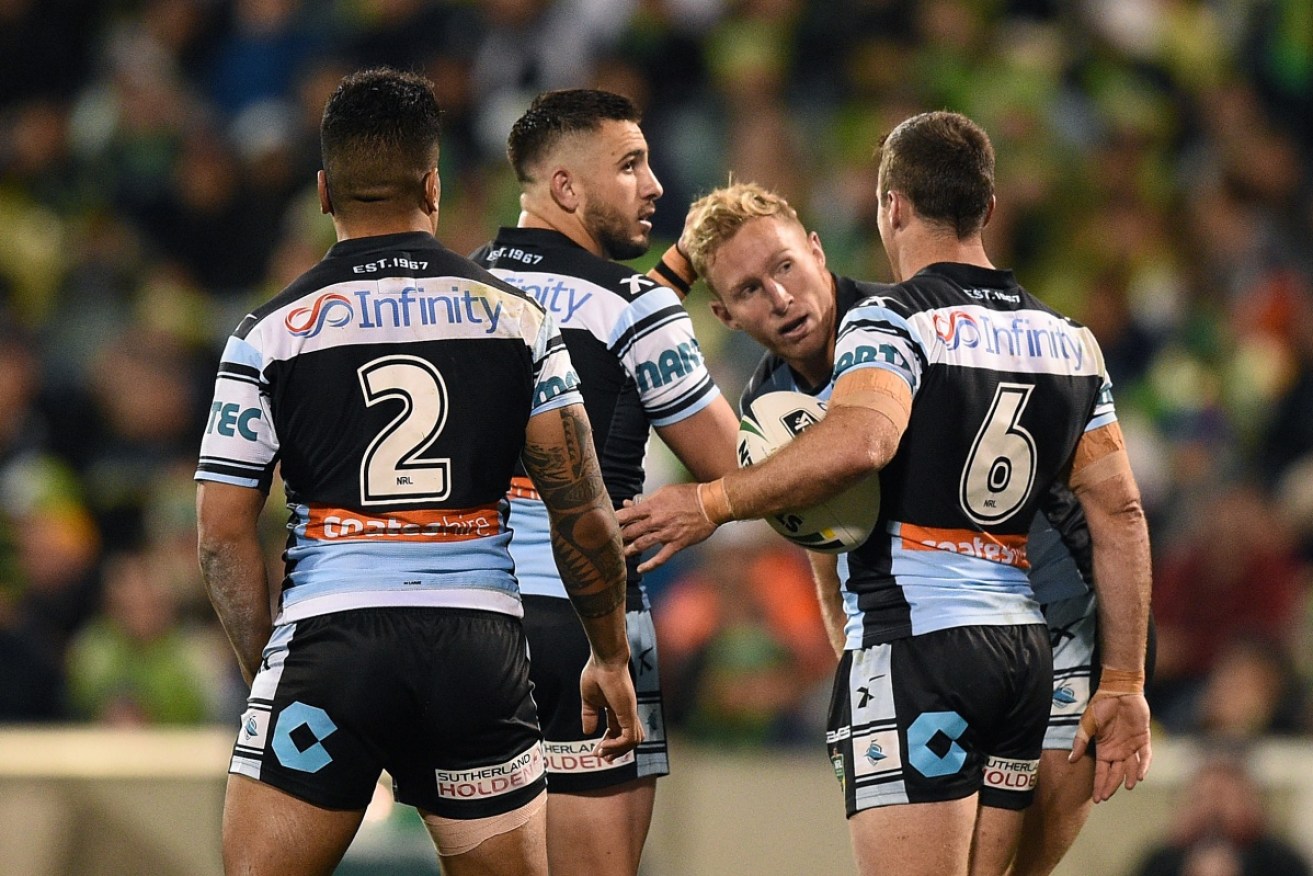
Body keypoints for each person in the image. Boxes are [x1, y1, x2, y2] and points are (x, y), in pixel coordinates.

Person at [618, 111, 1153, 876]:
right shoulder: (775, 393)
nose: (779, 297)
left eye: (784, 268)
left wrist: (709, 502)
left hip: (1058, 621)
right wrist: (849, 660)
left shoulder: (894, 321)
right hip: (1004, 639)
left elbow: (858, 448)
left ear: (820, 247)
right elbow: (822, 528)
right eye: (747, 288)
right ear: (725, 314)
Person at [194, 68, 641, 876]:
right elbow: (583, 513)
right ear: (433, 186)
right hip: (477, 651)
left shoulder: (268, 334)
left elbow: (221, 533)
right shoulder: (519, 320)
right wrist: (608, 653)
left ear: (324, 190)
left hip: (331, 638)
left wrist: (270, 668)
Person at [470, 88, 739, 876]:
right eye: (629, 165)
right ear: (564, 187)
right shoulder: (634, 309)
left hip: (461, 621)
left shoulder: (456, 287)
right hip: (583, 625)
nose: (655, 184)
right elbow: (735, 471)